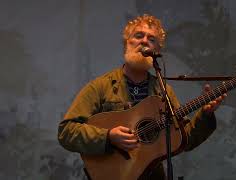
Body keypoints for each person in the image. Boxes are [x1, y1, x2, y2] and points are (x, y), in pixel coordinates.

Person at [58, 14, 226, 180]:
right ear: (126, 44)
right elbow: (67, 132)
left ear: (156, 51)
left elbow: (183, 139)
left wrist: (206, 114)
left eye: (151, 39)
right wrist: (108, 136)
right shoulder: (101, 86)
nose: (144, 41)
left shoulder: (163, 92)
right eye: (138, 36)